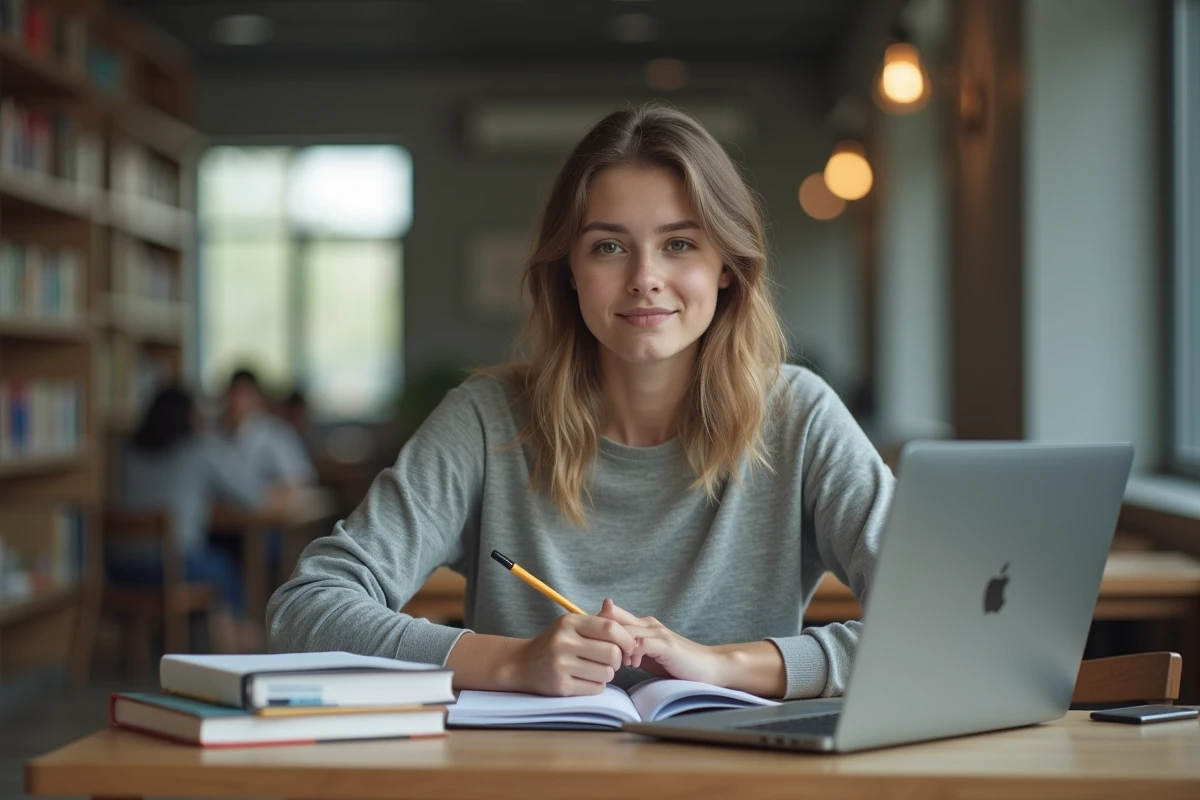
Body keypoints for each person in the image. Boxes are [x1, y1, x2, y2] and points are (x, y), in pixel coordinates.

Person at [268, 104, 895, 701]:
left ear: (726, 264)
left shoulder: (800, 416)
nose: (645, 276)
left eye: (679, 243)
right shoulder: (487, 420)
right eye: (609, 246)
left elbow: (939, 619)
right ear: (569, 269)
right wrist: (510, 662)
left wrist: (723, 663)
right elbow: (306, 609)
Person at [110, 387, 280, 652]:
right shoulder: (200, 449)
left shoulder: (128, 452)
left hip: (119, 567)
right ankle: (237, 638)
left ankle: (232, 632)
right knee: (224, 566)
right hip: (170, 568)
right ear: (189, 417)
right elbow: (251, 496)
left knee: (212, 554)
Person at [221, 368, 317, 490]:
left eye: (243, 395)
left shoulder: (278, 434)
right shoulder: (222, 436)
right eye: (233, 395)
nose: (236, 402)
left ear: (257, 397)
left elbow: (301, 478)